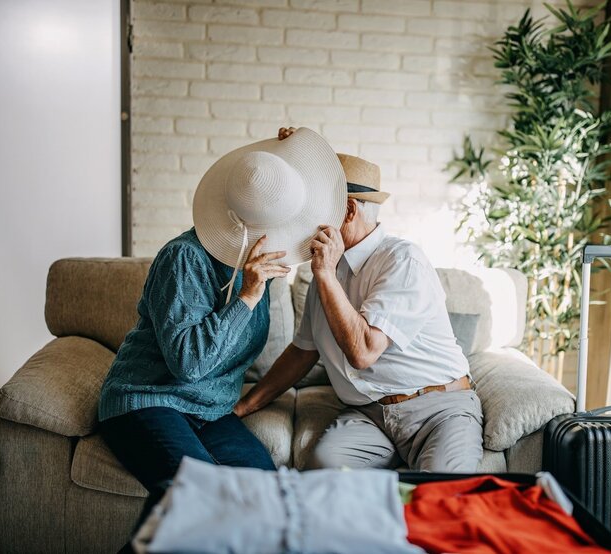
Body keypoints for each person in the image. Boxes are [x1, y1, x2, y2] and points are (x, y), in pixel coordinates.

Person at [97, 127, 348, 550]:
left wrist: (296, 147)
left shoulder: (257, 263)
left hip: (210, 411)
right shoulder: (184, 258)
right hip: (149, 400)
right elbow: (188, 364)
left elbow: (321, 181)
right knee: (203, 501)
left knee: (269, 498)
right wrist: (247, 296)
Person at [236, 135, 484, 473]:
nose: (303, 222)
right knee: (323, 474)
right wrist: (243, 406)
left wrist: (324, 274)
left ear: (349, 210)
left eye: (314, 212)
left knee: (439, 498)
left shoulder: (402, 260)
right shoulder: (328, 274)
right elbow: (302, 352)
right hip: (370, 415)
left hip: (438, 408)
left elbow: (363, 351)